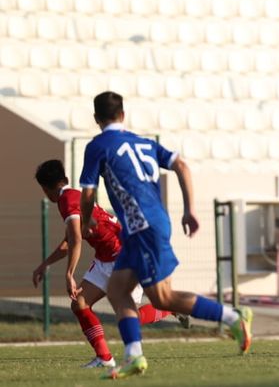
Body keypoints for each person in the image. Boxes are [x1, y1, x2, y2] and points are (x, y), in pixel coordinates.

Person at [78, 92, 252, 379]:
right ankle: (133, 356)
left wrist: (86, 223)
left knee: (162, 298)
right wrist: (189, 210)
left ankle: (233, 317)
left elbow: (87, 192)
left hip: (142, 227)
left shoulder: (98, 146)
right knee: (118, 291)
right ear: (123, 115)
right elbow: (181, 165)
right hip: (148, 225)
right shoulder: (144, 143)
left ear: (96, 119)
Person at [31, 159, 189, 369]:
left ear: (45, 189)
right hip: (105, 257)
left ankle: (170, 308)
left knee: (130, 318)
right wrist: (45, 264)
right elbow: (70, 240)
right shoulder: (71, 197)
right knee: (80, 304)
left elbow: (76, 239)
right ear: (65, 179)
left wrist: (69, 274)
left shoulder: (67, 201)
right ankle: (104, 358)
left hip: (125, 256)